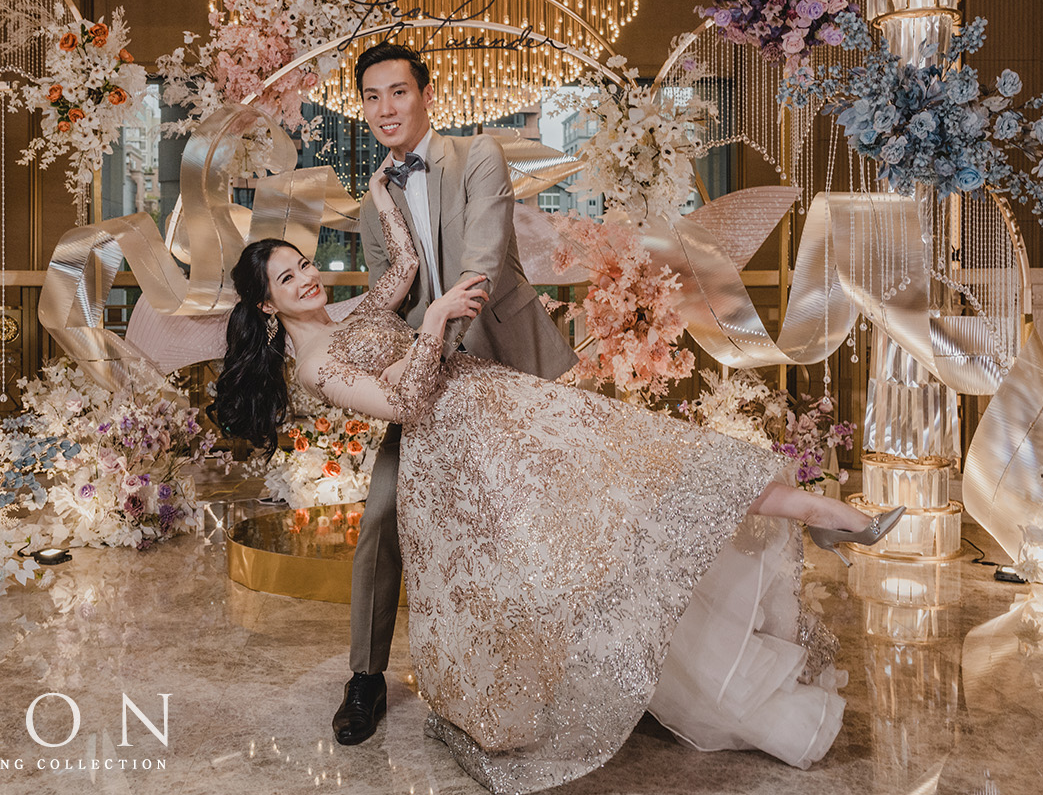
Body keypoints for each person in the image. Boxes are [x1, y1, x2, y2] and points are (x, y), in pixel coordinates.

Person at [211, 171, 906, 794]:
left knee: (644, 462)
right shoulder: (316, 364)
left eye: (305, 264)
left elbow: (408, 263)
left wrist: (381, 193)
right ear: (267, 306)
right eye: (288, 279)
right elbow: (403, 403)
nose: (307, 279)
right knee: (576, 553)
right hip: (459, 452)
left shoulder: (357, 314)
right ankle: (643, 669)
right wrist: (434, 320)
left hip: (501, 403)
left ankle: (818, 509)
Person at [341, 42, 578, 746]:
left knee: (546, 518)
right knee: (382, 513)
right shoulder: (372, 204)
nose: (386, 108)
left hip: (504, 365)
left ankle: (571, 669)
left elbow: (480, 270)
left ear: (426, 94)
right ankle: (365, 677)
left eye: (398, 92)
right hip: (430, 379)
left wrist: (431, 344)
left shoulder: (478, 157)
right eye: (372, 97)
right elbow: (387, 308)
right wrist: (407, 364)